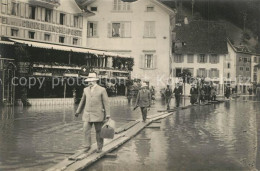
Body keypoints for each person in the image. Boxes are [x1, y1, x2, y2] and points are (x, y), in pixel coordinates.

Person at [75, 72, 110, 153]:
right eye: (88, 81)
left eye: (91, 81)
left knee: (99, 131)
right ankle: (87, 146)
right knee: (85, 130)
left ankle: (99, 147)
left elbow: (106, 103)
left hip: (98, 114)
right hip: (87, 114)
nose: (89, 82)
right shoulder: (85, 90)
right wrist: (78, 111)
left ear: (95, 81)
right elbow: (82, 101)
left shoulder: (102, 90)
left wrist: (108, 114)